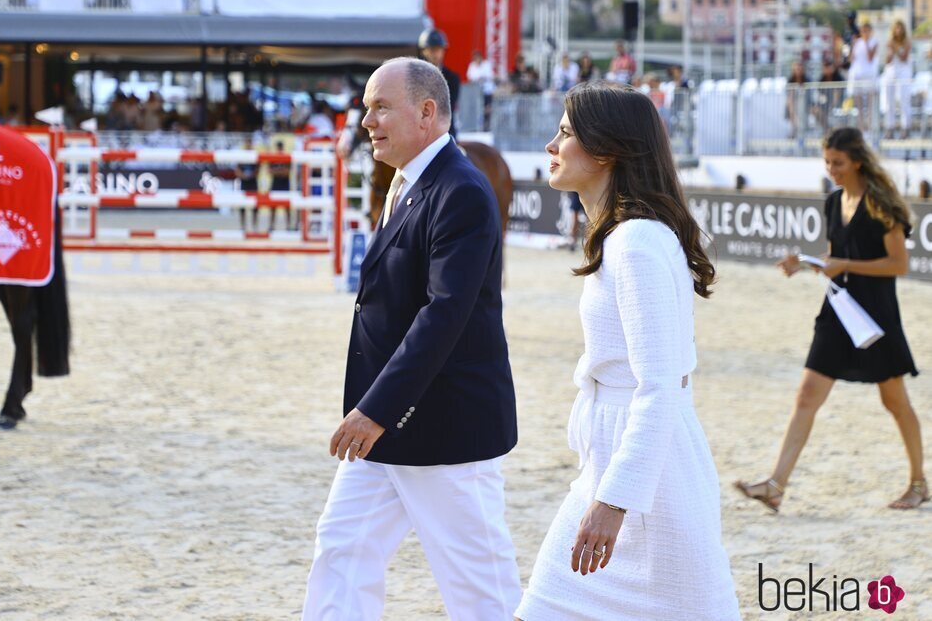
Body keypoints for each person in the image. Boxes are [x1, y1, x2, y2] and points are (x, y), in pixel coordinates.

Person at [302, 57, 521, 620]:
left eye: (380, 106)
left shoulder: (462, 190)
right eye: (366, 106)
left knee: (479, 589)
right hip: (387, 429)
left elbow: (443, 313)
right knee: (343, 548)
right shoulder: (405, 182)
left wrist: (375, 409)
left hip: (446, 428)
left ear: (427, 113)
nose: (365, 119)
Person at [515, 81, 739, 620]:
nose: (551, 145)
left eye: (565, 133)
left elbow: (660, 386)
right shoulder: (622, 237)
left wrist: (616, 500)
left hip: (651, 477)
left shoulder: (637, 242)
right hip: (614, 460)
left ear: (606, 150)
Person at [736, 127, 927, 512]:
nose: (831, 169)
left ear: (857, 160)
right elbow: (833, 256)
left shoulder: (881, 203)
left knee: (895, 402)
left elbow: (899, 264)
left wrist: (846, 264)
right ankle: (775, 485)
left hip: (875, 315)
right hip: (838, 309)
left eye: (837, 163)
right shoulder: (834, 201)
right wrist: (805, 264)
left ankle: (920, 483)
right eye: (827, 162)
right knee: (806, 395)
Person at [418, 27, 461, 139]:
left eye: (438, 49)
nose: (435, 54)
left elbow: (447, 107)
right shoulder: (415, 78)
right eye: (432, 49)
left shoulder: (452, 78)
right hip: (419, 130)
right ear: (424, 51)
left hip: (445, 132)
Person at [882, 20, 912, 138]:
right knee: (889, 101)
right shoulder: (890, 43)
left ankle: (906, 127)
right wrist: (890, 50)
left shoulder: (907, 42)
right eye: (897, 28)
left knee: (904, 99)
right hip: (891, 72)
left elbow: (904, 58)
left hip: (903, 73)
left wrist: (894, 47)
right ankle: (890, 127)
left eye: (900, 28)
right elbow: (887, 61)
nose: (898, 31)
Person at [847, 22, 880, 131]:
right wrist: (852, 45)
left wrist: (866, 43)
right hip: (857, 76)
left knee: (870, 104)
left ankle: (870, 125)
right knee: (859, 104)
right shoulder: (857, 42)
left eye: (867, 31)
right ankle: (860, 126)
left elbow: (870, 57)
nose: (865, 33)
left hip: (869, 76)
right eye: (863, 31)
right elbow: (851, 59)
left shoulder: (874, 42)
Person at [467, 50, 496, 129]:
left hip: (487, 90)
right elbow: (470, 76)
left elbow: (489, 75)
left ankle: (486, 124)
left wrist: (481, 78)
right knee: (477, 108)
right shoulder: (472, 66)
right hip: (476, 91)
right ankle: (477, 125)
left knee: (487, 107)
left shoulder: (486, 64)